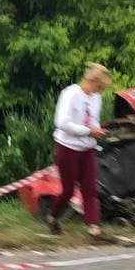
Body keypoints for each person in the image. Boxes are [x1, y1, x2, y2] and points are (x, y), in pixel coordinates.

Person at [47, 63, 111, 238]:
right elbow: (62, 123)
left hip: (87, 147)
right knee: (67, 191)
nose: (99, 91)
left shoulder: (96, 98)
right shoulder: (70, 94)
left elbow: (94, 120)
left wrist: (96, 130)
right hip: (68, 147)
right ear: (91, 81)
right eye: (98, 87)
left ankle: (93, 226)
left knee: (90, 189)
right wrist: (88, 131)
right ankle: (52, 217)